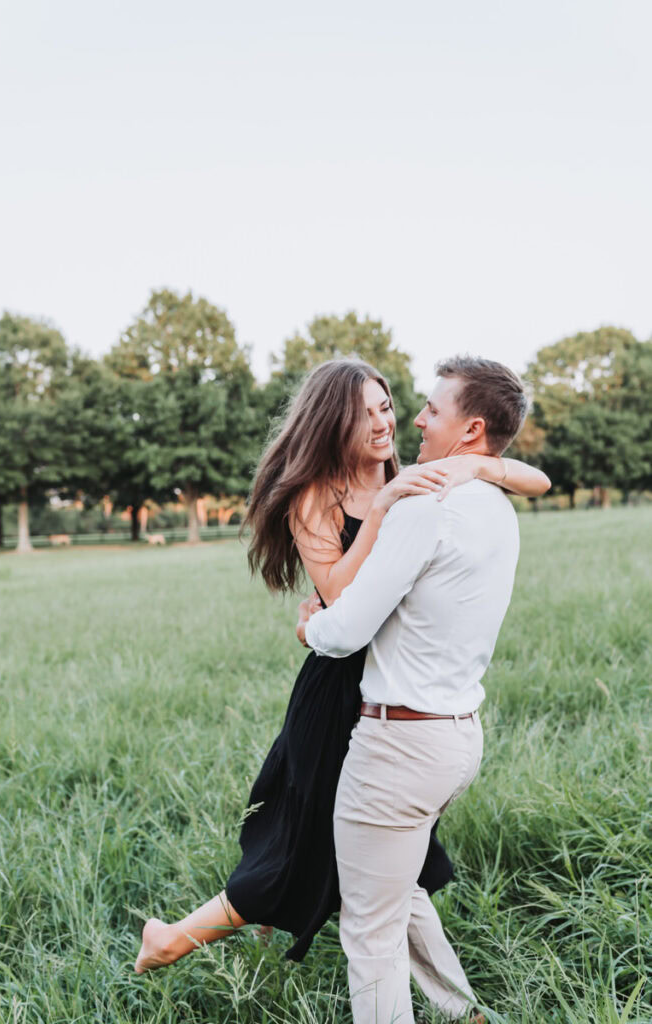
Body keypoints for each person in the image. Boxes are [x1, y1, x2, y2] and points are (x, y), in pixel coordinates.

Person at [135, 358, 549, 976]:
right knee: (309, 852)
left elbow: (535, 478)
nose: (386, 422)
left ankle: (173, 939)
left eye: (387, 406)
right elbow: (335, 594)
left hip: (396, 687)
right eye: (367, 414)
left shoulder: (414, 475)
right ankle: (172, 940)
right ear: (334, 423)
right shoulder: (316, 497)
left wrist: (476, 463)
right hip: (340, 690)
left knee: (387, 866)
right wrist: (379, 511)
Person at [297, 356, 538, 1024]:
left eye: (433, 408)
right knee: (389, 891)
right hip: (456, 737)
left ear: (470, 428)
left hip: (397, 747)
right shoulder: (494, 506)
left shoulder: (421, 507)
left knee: (367, 935)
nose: (416, 418)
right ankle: (462, 1013)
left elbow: (346, 631)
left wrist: (311, 627)